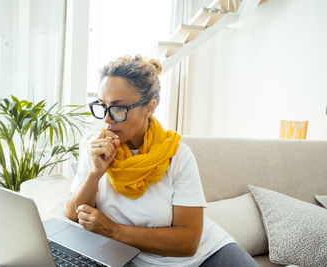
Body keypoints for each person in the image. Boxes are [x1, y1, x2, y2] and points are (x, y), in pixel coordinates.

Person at [66, 55, 258, 267]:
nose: (107, 119)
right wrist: (95, 174)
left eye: (119, 108)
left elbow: (189, 242)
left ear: (149, 108)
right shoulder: (96, 148)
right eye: (103, 106)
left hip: (208, 256)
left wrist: (114, 230)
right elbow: (73, 215)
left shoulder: (177, 155)